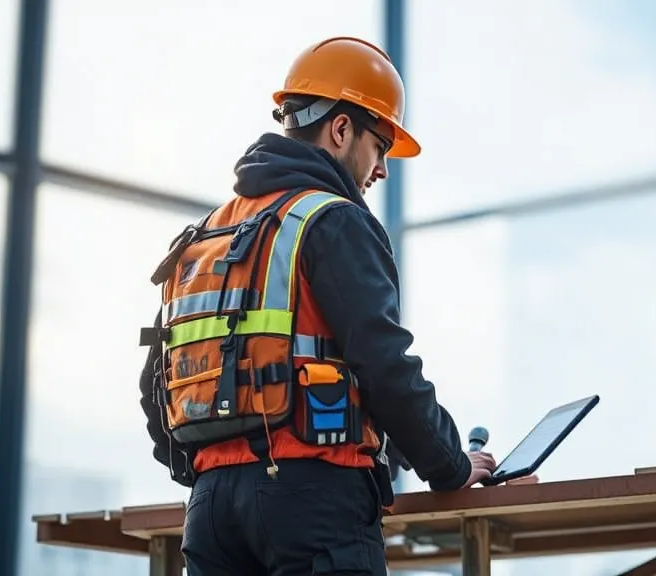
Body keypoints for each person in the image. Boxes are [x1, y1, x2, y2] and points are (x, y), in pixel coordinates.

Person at [137, 36, 512, 576]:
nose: (381, 169)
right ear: (341, 130)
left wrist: (215, 473)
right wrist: (451, 465)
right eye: (380, 145)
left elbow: (157, 379)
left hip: (212, 513)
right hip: (313, 503)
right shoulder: (332, 220)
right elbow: (383, 364)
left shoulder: (207, 234)